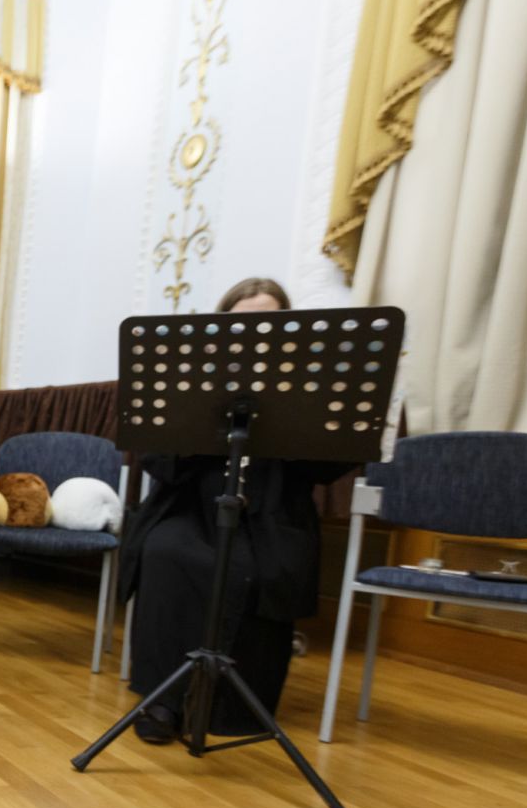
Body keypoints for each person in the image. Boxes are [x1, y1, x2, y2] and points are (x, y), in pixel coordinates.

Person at [120, 278, 353, 743]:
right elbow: (158, 461)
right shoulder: (192, 379)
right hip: (192, 507)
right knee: (167, 551)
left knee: (260, 570)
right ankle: (163, 699)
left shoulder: (305, 384)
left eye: (268, 323)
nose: (255, 336)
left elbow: (329, 468)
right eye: (242, 324)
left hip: (273, 516)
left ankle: (231, 705)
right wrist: (206, 420)